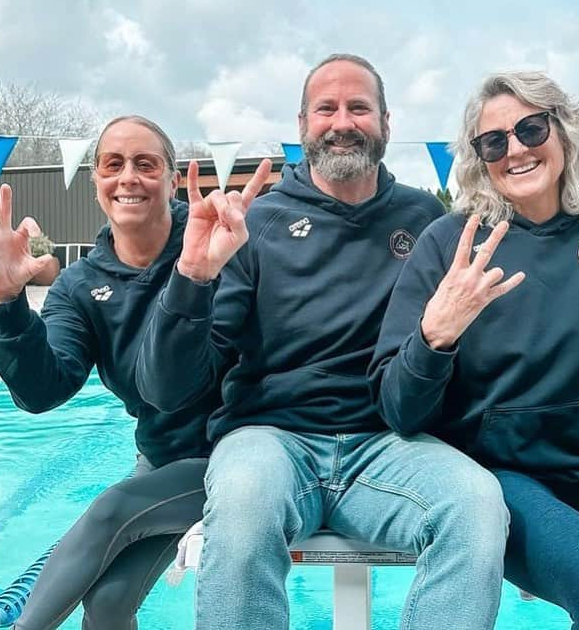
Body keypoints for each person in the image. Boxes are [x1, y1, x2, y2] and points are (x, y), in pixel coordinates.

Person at [137, 54, 510, 630]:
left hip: (388, 445)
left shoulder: (425, 217)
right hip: (271, 438)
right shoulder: (255, 223)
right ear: (302, 124)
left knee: (477, 505)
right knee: (243, 505)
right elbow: (170, 388)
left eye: (359, 107)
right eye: (326, 108)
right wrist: (192, 277)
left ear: (386, 121)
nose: (343, 122)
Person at [369, 70, 579, 630]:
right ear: (479, 157)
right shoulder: (449, 245)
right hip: (492, 481)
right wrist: (437, 336)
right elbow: (398, 409)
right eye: (494, 141)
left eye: (531, 128)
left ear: (563, 129)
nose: (516, 150)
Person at [0, 115, 269, 630]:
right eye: (113, 164)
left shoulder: (223, 254)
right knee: (106, 604)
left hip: (244, 458)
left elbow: (176, 387)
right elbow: (42, 392)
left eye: (145, 164)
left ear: (172, 179)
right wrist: (8, 303)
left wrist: (194, 277)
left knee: (109, 510)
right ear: (96, 184)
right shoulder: (81, 287)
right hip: (165, 458)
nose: (128, 177)